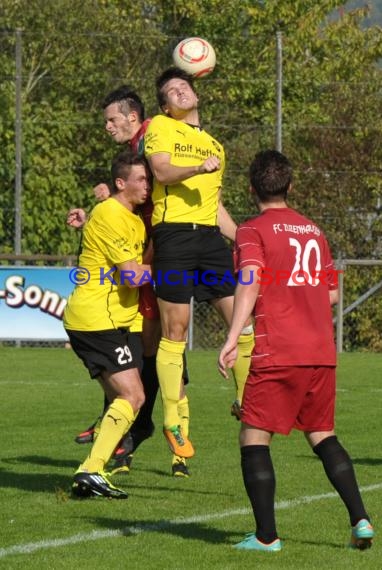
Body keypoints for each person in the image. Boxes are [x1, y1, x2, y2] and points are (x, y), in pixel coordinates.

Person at [218, 149, 375, 551]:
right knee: (323, 434)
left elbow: (250, 281)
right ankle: (361, 520)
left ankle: (267, 537)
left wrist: (233, 336)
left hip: (279, 350)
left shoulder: (253, 230)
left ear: (252, 187)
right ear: (290, 185)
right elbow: (333, 292)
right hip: (320, 351)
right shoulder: (314, 231)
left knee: (254, 437)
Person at [72, 85, 191, 477]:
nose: (107, 126)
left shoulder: (156, 137)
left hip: (132, 289)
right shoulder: (126, 184)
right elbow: (124, 252)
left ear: (134, 117)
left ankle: (156, 440)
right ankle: (123, 435)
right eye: (139, 180)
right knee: (144, 365)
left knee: (161, 357)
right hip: (108, 308)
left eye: (112, 119)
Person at [144, 67, 254, 458]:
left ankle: (244, 400)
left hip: (209, 238)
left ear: (196, 93)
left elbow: (216, 206)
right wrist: (195, 167)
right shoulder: (160, 127)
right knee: (175, 331)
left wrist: (247, 240)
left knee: (243, 322)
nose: (181, 92)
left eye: (184, 86)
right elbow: (161, 170)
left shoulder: (216, 146)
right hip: (173, 234)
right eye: (172, 91)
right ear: (165, 106)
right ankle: (173, 420)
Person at [64, 150, 151, 499]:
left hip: (117, 319)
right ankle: (91, 468)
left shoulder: (132, 217)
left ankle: (91, 471)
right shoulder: (111, 213)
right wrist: (177, 269)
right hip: (96, 318)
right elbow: (131, 275)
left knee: (128, 397)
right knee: (134, 395)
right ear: (120, 183)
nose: (147, 185)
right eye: (141, 179)